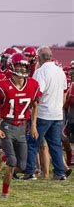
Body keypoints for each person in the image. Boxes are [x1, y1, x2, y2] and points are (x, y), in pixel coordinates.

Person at [0, 53, 40, 198]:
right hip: (7, 126)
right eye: (19, 65)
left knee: (23, 166)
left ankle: (2, 156)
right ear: (12, 66)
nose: (22, 68)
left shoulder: (32, 84)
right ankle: (4, 193)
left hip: (22, 127)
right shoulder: (3, 85)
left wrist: (33, 126)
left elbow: (35, 106)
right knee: (12, 162)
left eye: (24, 66)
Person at [24, 46, 69, 180]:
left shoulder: (40, 72)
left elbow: (37, 93)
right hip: (57, 113)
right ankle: (60, 173)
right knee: (55, 145)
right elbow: (64, 92)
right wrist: (59, 106)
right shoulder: (60, 71)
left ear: (38, 57)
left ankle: (30, 171)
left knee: (32, 143)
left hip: (43, 113)